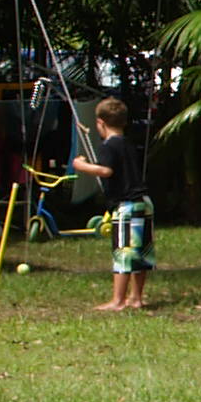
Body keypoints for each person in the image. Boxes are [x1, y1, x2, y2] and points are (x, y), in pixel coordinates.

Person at [71, 94, 156, 312]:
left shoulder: (109, 146)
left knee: (123, 252)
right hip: (144, 203)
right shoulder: (126, 142)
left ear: (101, 123)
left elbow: (106, 170)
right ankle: (136, 298)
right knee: (140, 253)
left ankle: (118, 301)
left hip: (126, 205)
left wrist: (81, 166)